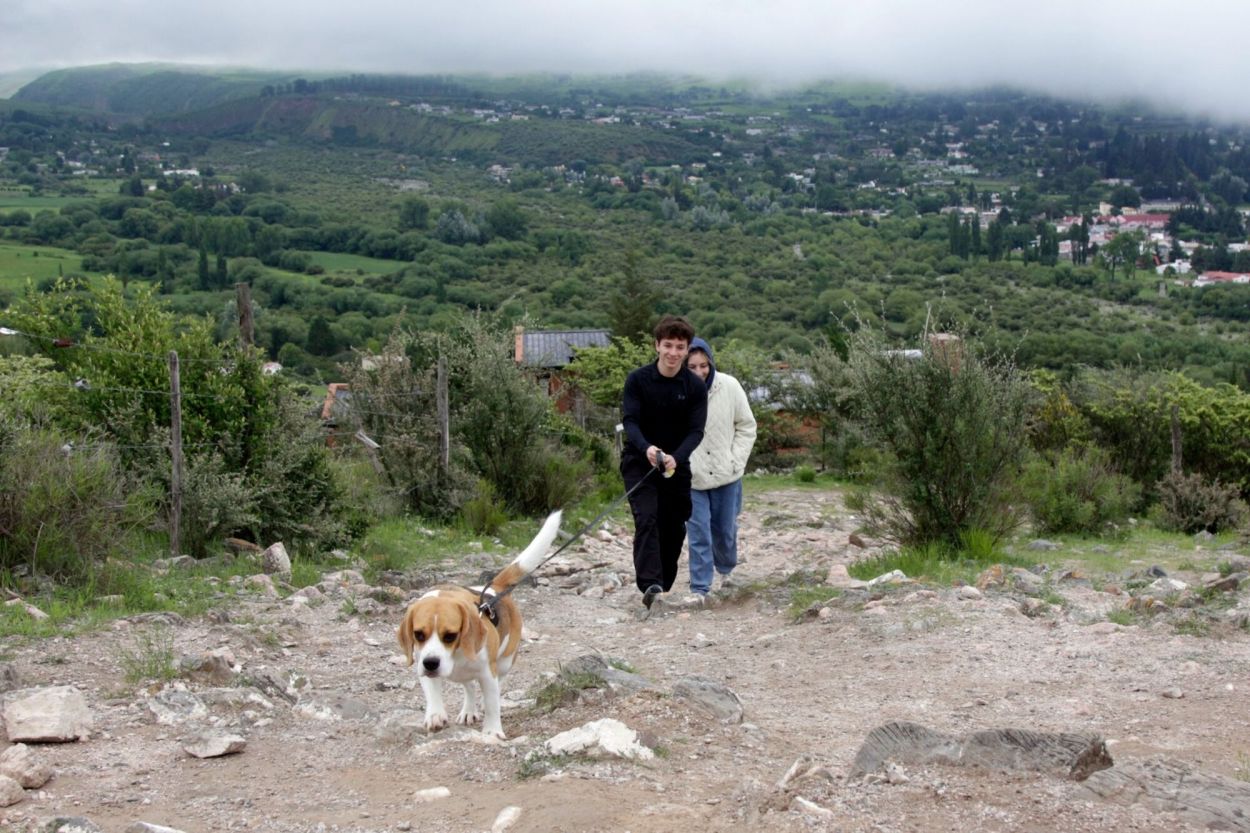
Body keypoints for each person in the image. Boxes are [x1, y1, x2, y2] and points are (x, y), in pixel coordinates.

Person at [620, 315, 708, 610]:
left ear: (686, 350)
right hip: (639, 461)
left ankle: (664, 583)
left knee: (674, 525)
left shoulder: (694, 388)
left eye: (680, 347)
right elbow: (630, 421)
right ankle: (650, 585)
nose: (673, 352)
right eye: (668, 345)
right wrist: (646, 448)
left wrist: (676, 457)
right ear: (657, 345)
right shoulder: (637, 380)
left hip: (675, 465)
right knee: (647, 519)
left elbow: (696, 430)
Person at [682, 337, 757, 605]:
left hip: (727, 474)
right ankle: (700, 588)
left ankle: (726, 571)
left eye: (703, 365)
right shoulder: (674, 391)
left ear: (711, 363)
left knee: (725, 530)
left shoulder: (730, 386)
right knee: (699, 532)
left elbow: (747, 426)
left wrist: (736, 460)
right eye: (692, 366)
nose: (699, 371)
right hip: (692, 477)